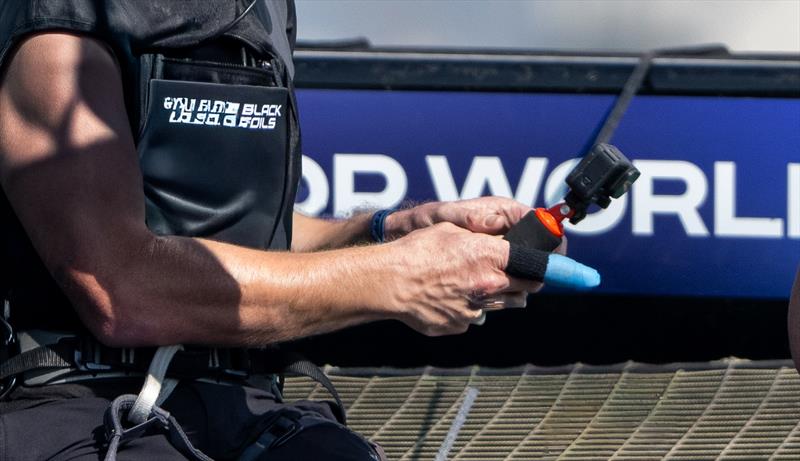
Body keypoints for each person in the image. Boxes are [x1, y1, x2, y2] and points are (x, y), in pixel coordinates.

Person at [0, 1, 596, 459]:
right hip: (80, 400)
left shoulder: (264, 15)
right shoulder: (61, 22)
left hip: (246, 403)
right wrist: (398, 275)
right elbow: (121, 289)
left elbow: (255, 241)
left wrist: (391, 231)